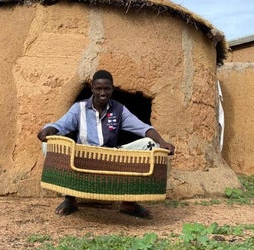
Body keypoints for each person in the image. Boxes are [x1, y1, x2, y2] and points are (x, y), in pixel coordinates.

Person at [37, 70, 175, 219]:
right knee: (51, 141)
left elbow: (143, 128)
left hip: (110, 158)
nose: (103, 93)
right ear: (92, 89)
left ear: (112, 89)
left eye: (107, 89)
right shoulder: (80, 108)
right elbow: (61, 125)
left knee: (150, 144)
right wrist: (47, 130)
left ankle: (129, 204)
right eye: (98, 88)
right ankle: (70, 199)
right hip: (83, 156)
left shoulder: (119, 109)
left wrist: (162, 142)